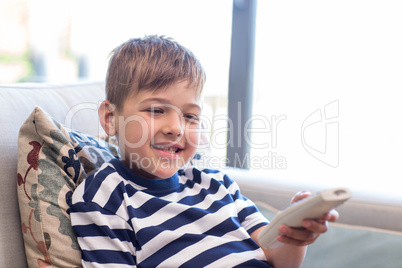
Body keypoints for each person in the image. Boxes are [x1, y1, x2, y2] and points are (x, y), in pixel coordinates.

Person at [70, 35, 338, 268]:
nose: (176, 128)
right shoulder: (104, 197)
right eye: (155, 110)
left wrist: (292, 236)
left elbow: (277, 258)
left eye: (190, 116)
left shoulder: (218, 185)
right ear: (110, 117)